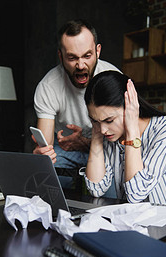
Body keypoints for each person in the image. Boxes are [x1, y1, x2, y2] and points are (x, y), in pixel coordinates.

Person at [33, 19, 120, 193]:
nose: (80, 66)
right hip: (64, 148)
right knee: (46, 180)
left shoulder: (114, 79)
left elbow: (121, 139)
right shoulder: (48, 86)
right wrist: (42, 154)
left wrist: (86, 143)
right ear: (61, 56)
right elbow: (46, 143)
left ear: (98, 51)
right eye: (72, 58)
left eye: (87, 56)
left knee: (111, 197)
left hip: (105, 146)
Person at [82, 70, 166, 206]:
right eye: (95, 120)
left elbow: (136, 194)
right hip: (130, 222)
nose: (103, 130)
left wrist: (132, 129)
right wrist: (96, 134)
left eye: (109, 120)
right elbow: (96, 189)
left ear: (130, 107)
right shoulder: (106, 134)